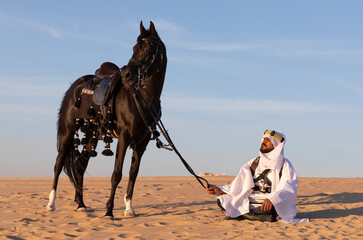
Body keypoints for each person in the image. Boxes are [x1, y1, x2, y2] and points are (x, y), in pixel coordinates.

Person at [206, 130, 308, 223]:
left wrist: (273, 199)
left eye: (268, 140)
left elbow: (287, 186)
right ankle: (255, 215)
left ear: (276, 145)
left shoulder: (285, 164)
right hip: (255, 199)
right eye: (263, 139)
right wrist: (218, 190)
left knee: (272, 208)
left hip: (272, 202)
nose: (264, 141)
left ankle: (245, 214)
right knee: (222, 200)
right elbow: (238, 184)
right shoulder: (254, 162)